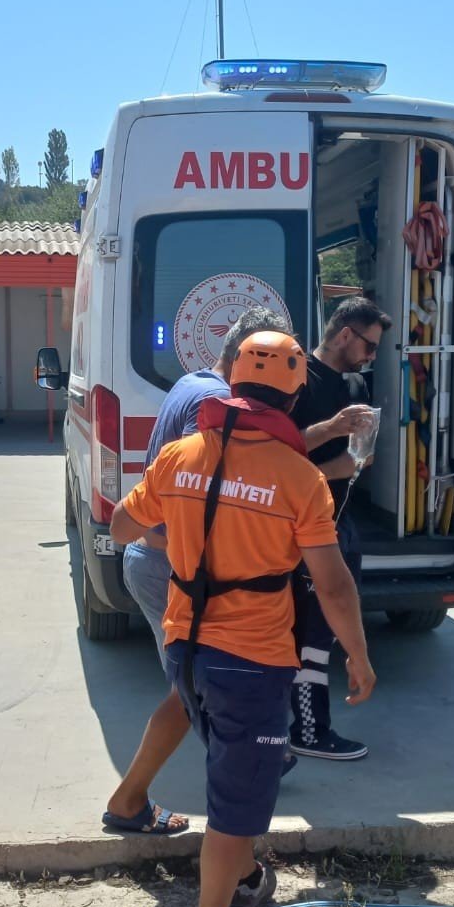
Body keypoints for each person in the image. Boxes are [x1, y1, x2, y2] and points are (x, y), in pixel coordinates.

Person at [110, 331, 376, 907]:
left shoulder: (181, 455)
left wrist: (187, 544)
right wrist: (359, 659)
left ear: (233, 382)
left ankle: (247, 876)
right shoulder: (299, 477)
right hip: (253, 660)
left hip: (185, 648)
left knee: (231, 771)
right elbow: (335, 585)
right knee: (235, 808)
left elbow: (120, 524)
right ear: (293, 391)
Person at [102, 306, 290, 837]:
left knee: (191, 691)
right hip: (173, 568)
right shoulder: (213, 403)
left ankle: (138, 801)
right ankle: (214, 823)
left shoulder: (193, 380)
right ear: (239, 361)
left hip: (157, 559)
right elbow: (202, 492)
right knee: (201, 692)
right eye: (264, 367)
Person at [289, 296, 392, 760]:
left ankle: (308, 728)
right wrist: (349, 464)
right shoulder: (300, 382)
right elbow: (289, 463)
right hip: (309, 528)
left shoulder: (344, 385)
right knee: (312, 634)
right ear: (346, 334)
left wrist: (356, 456)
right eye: (369, 346)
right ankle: (309, 732)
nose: (372, 357)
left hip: (338, 521)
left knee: (325, 631)